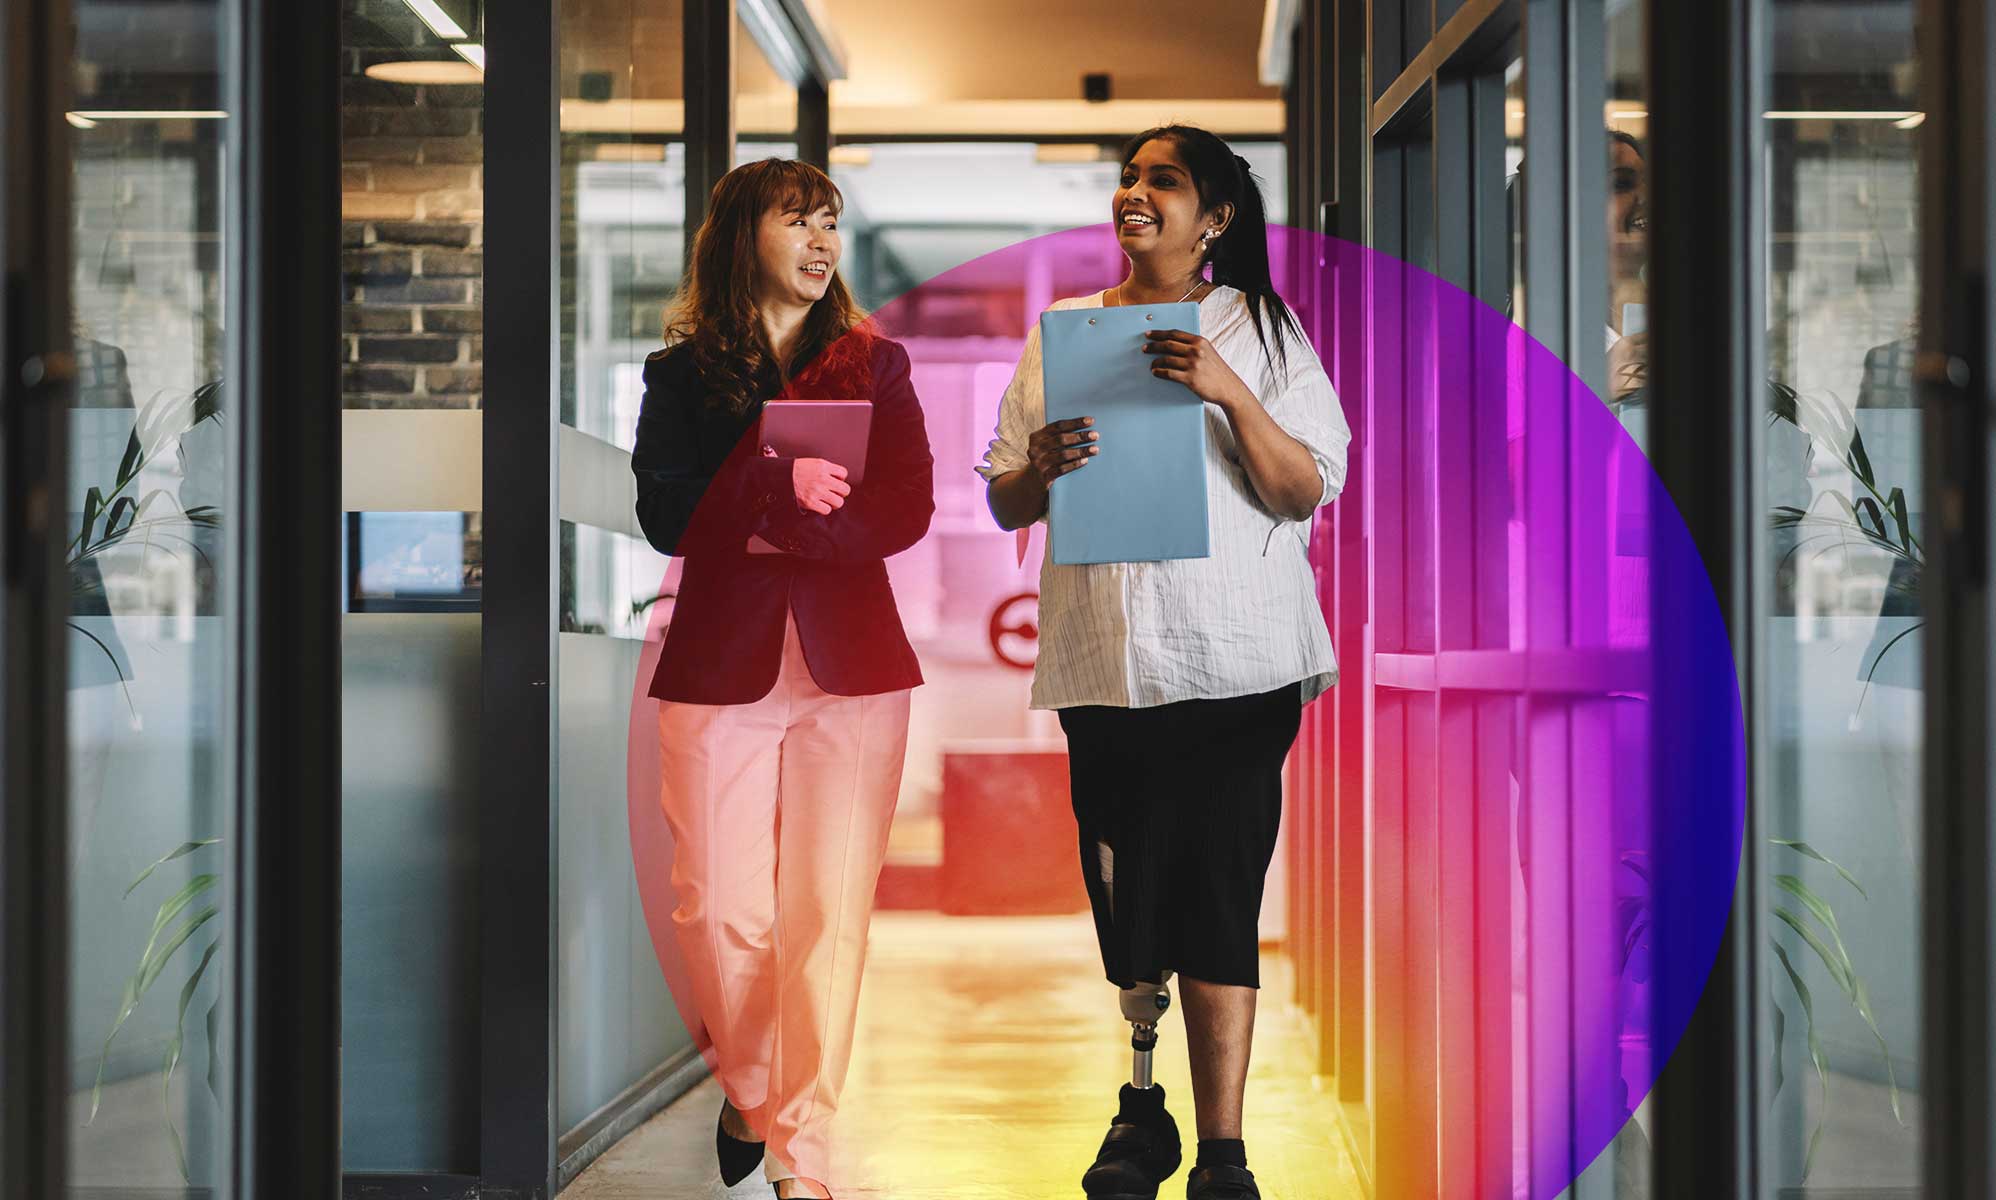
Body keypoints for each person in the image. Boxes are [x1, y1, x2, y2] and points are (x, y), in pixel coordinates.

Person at [977, 125, 1350, 1200]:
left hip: (1236, 661)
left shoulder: (1263, 330)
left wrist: (1227, 389)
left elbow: (1300, 490)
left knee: (1218, 889)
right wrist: (1038, 469)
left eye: (1163, 181)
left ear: (1215, 219)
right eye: (1130, 178)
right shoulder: (1063, 336)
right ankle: (1143, 1110)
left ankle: (1223, 1152)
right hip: (1108, 661)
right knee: (1128, 886)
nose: (1134, 193)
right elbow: (1003, 489)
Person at [631, 157, 934, 1200]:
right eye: (796, 220)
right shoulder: (679, 377)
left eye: (831, 223)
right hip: (720, 664)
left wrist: (801, 532)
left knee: (826, 917)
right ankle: (752, 1080)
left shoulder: (874, 365)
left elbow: (906, 507)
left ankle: (804, 1161)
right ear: (738, 238)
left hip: (852, 668)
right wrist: (771, 477)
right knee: (716, 909)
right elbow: (666, 515)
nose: (819, 241)